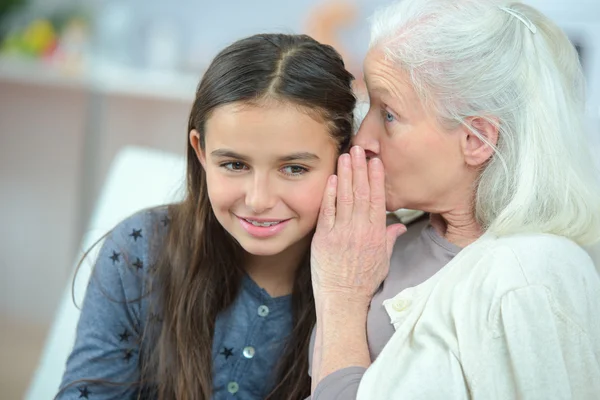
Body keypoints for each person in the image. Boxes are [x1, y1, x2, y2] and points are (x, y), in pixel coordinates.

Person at [308, 0, 600, 399]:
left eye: (389, 115)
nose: (362, 141)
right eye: (369, 108)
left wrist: (341, 297)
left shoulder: (530, 275)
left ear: (475, 139)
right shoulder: (377, 241)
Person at [57, 33, 356, 400]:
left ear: (345, 158)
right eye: (234, 164)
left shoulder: (378, 282)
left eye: (293, 169)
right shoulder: (139, 253)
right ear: (200, 151)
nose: (258, 200)